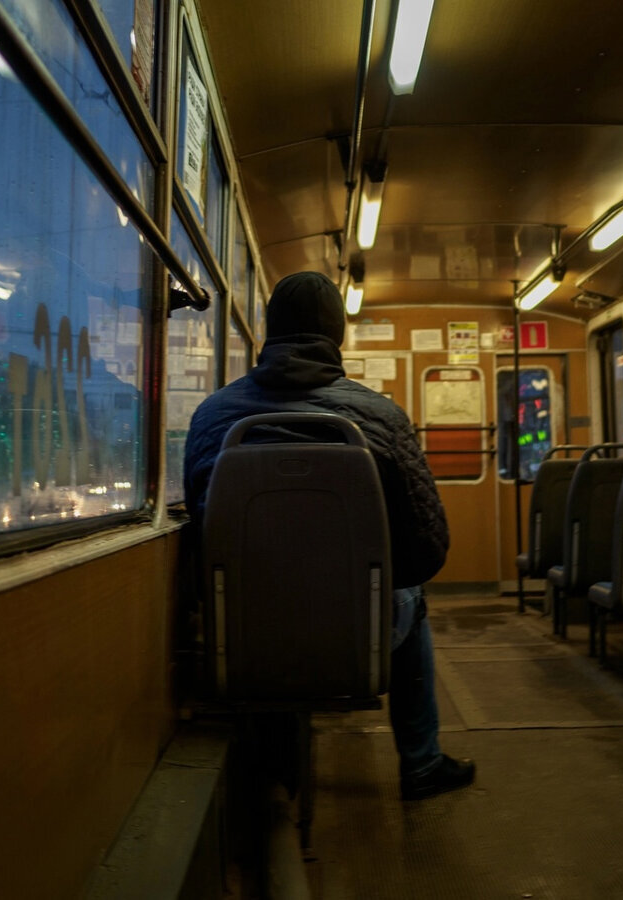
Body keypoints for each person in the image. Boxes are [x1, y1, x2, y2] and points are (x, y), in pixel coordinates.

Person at [183, 271, 476, 801]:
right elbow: (426, 551)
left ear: (270, 330)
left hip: (244, 632)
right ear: (336, 334)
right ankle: (422, 763)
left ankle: (275, 767)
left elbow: (202, 536)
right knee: (410, 593)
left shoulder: (212, 416)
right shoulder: (381, 417)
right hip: (357, 634)